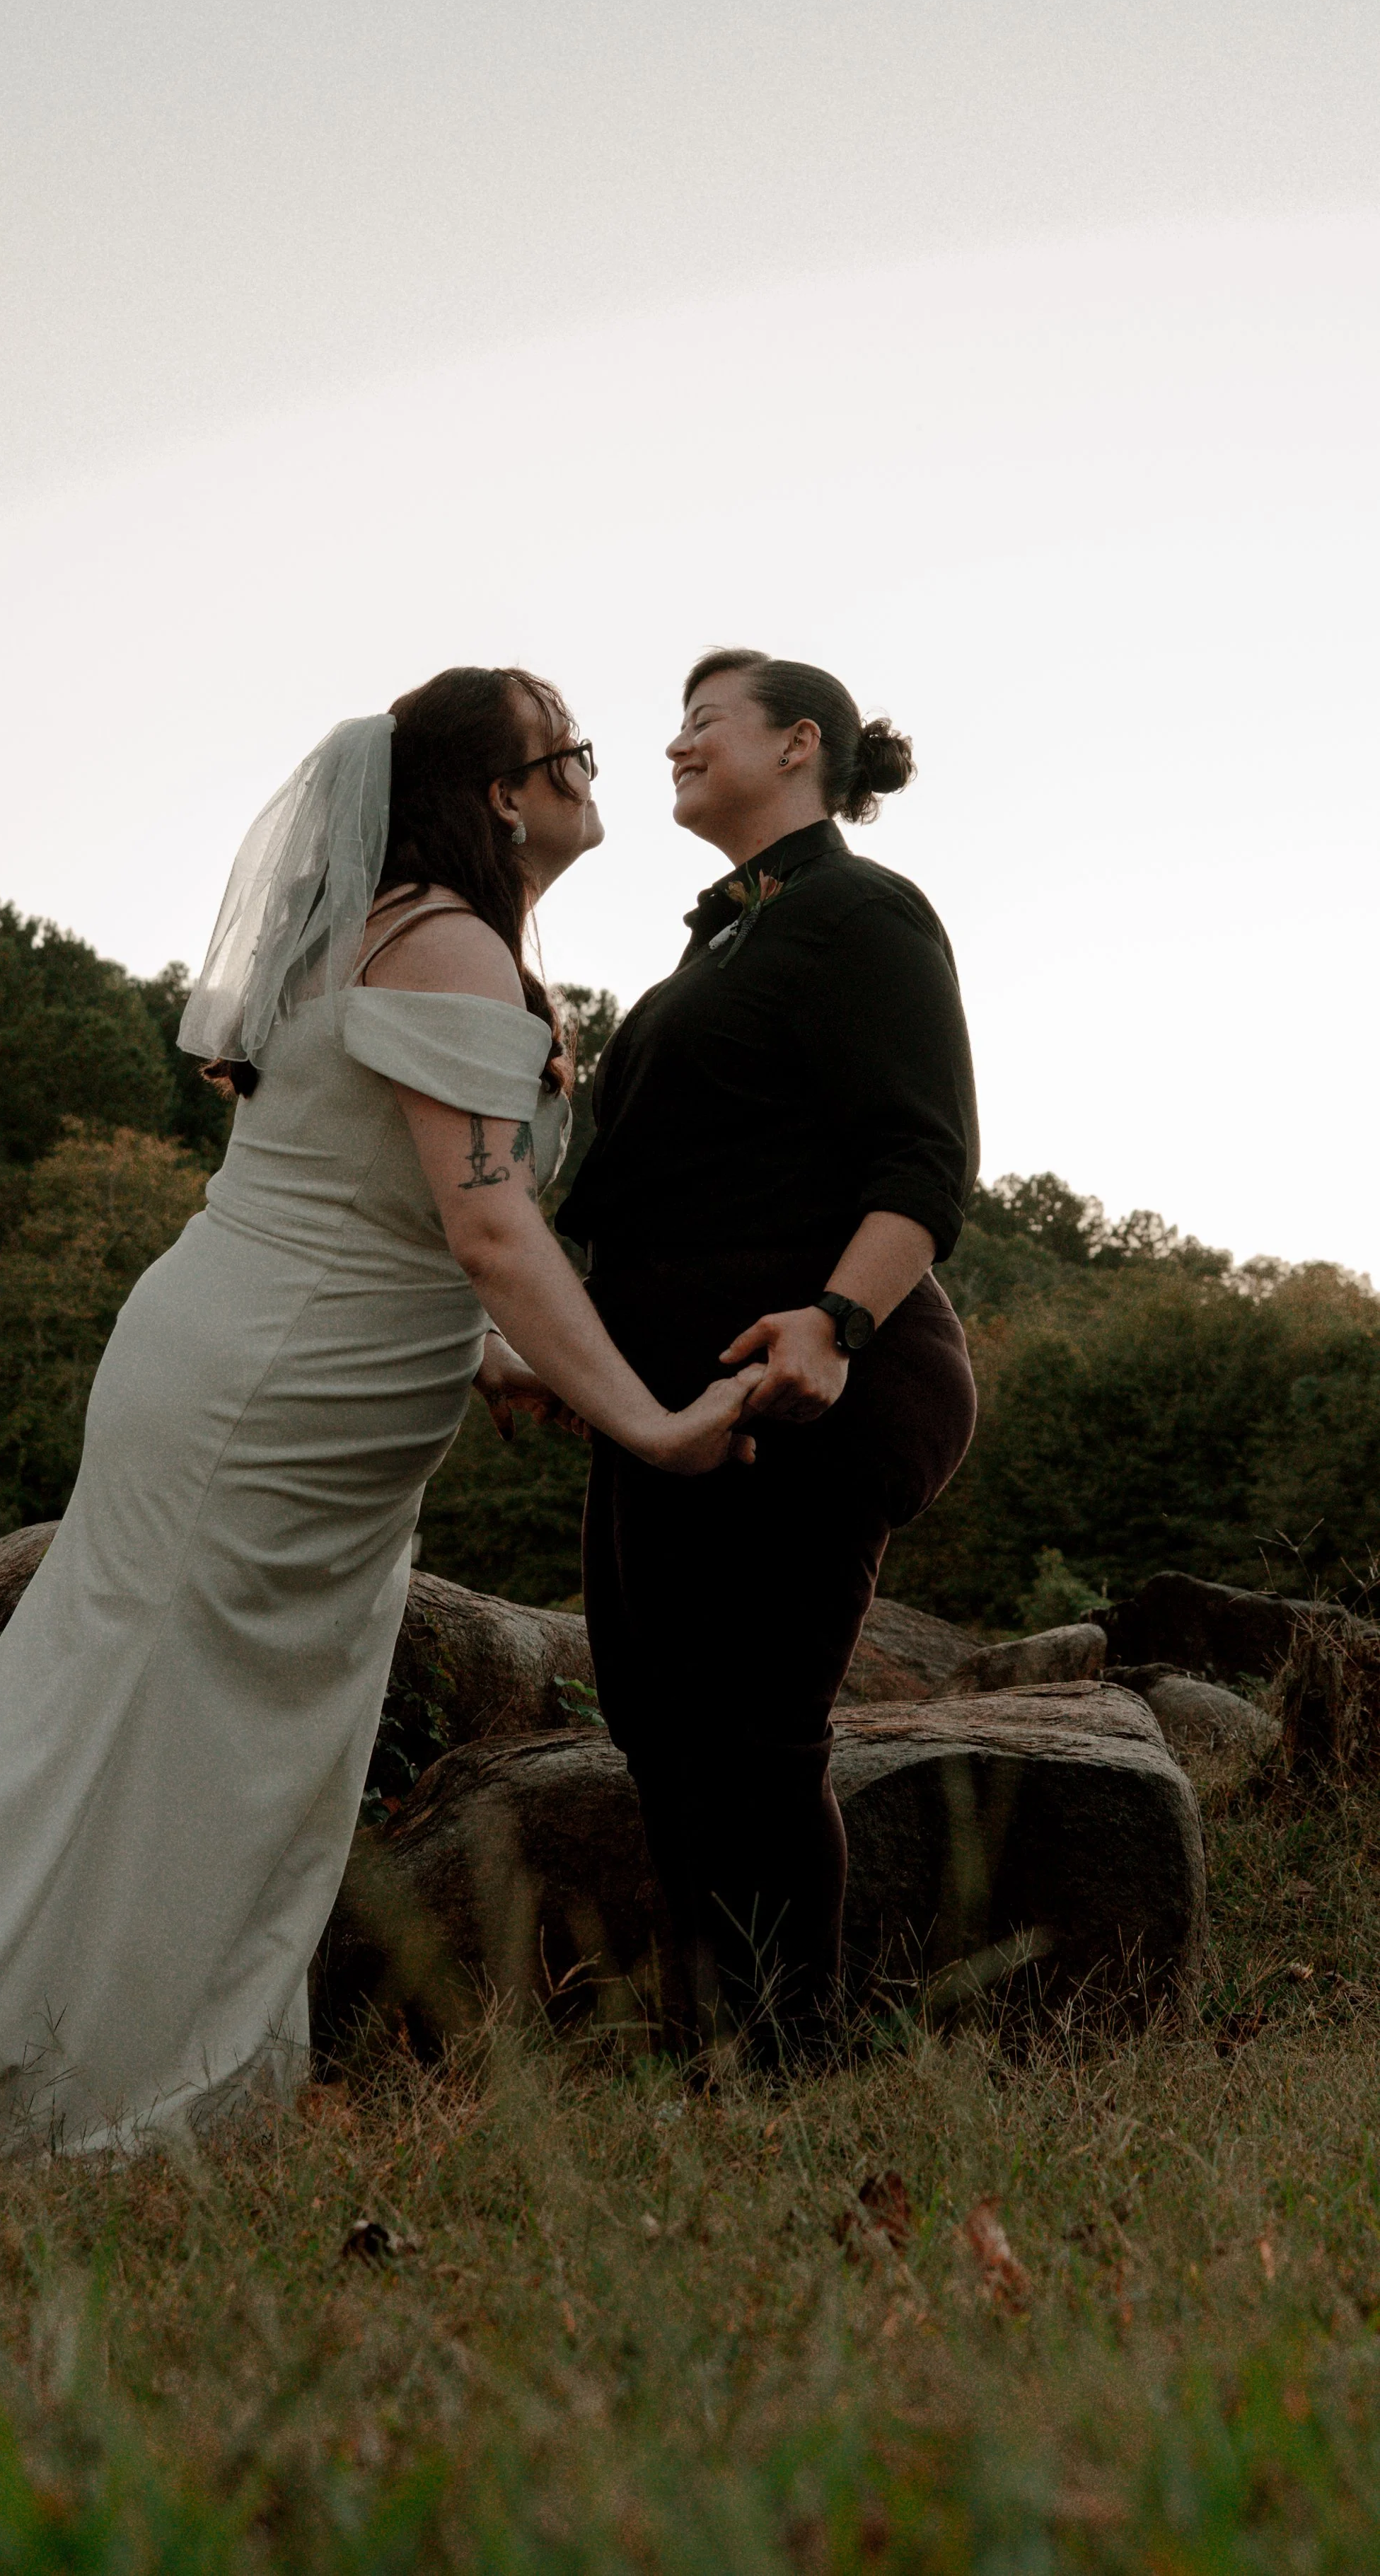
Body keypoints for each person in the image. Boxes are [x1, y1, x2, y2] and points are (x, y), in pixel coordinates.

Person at [0, 666, 759, 2164]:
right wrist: (647, 1422)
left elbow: (361, 1198)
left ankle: (153, 2069)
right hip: (268, 1405)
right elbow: (489, 1225)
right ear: (504, 795)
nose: (592, 774)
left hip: (284, 1387)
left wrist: (491, 1357)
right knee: (131, 1746)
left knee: (207, 1758)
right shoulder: (443, 944)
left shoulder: (408, 929)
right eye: (574, 752)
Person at [555, 649, 980, 2061]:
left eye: (702, 721)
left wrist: (837, 1321)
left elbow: (924, 1157)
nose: (672, 745)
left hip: (800, 1388)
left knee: (748, 1733)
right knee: (661, 1727)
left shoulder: (860, 910)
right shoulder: (726, 939)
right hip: (667, 1399)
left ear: (800, 744)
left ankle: (786, 2062)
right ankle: (719, 2051)